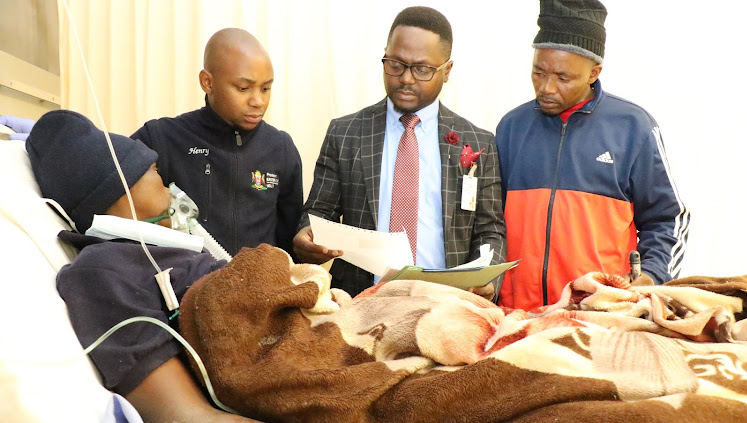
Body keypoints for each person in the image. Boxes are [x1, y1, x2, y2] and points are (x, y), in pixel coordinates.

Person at [26, 109, 259, 423]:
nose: (169, 186)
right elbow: (189, 417)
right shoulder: (100, 270)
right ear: (123, 191)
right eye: (155, 171)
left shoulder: (169, 250)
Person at [293, 6, 507, 300]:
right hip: (360, 303)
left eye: (422, 69)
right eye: (395, 64)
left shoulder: (478, 142)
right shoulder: (346, 134)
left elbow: (489, 230)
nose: (406, 78)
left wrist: (490, 279)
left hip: (447, 305)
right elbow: (317, 213)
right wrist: (306, 238)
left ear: (446, 71)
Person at [495, 0, 690, 311]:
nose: (546, 87)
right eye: (538, 71)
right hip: (517, 312)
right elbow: (490, 222)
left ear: (593, 73)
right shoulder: (510, 127)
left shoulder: (633, 127)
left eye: (563, 77)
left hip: (600, 313)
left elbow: (668, 218)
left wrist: (652, 276)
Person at [130, 28, 303, 258]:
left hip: (260, 289)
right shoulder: (160, 139)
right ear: (207, 82)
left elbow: (289, 242)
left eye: (265, 88)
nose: (258, 101)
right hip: (184, 287)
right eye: (243, 88)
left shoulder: (281, 148)